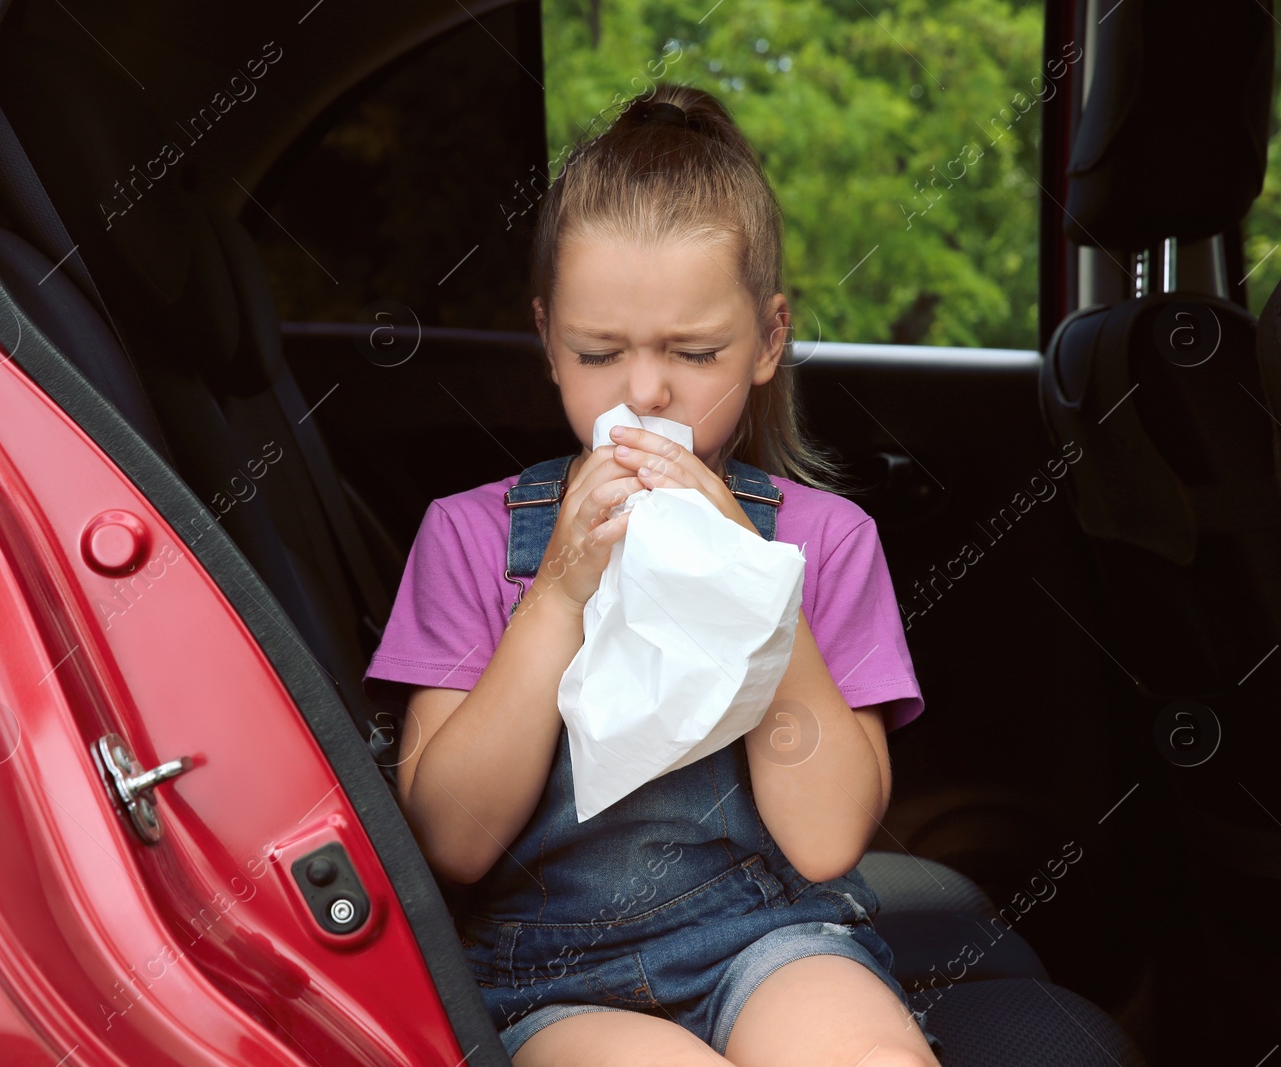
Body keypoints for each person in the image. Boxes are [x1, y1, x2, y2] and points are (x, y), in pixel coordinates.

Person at [361, 82, 943, 1067]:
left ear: (766, 341)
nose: (643, 391)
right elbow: (451, 840)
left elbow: (826, 837)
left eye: (695, 351)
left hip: (774, 938)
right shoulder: (467, 537)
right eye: (598, 353)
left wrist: (752, 586)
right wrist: (555, 593)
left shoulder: (823, 540)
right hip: (554, 978)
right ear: (549, 342)